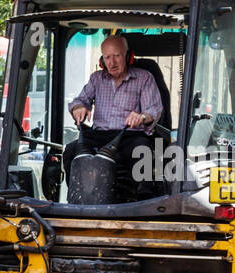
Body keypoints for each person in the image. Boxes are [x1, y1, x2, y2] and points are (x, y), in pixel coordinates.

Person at [63, 33, 164, 200]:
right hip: (99, 136)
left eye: (117, 56)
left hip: (129, 136)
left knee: (142, 151)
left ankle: (142, 201)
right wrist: (79, 108)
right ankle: (77, 198)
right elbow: (79, 101)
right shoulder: (96, 79)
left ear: (128, 56)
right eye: (107, 57)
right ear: (102, 61)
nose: (112, 62)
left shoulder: (144, 78)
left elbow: (154, 110)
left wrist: (141, 116)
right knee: (70, 151)